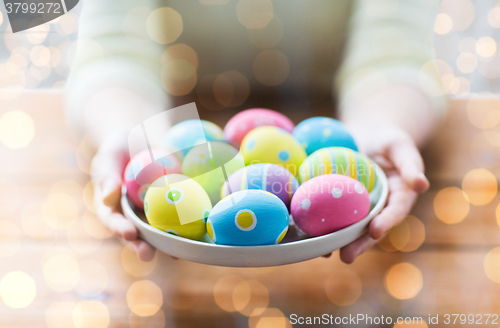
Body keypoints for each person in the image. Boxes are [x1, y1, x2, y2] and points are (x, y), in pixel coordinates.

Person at [66, 0, 447, 264]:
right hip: (182, 122)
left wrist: (381, 127)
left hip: (332, 120)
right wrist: (132, 135)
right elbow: (112, 54)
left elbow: (396, 53)